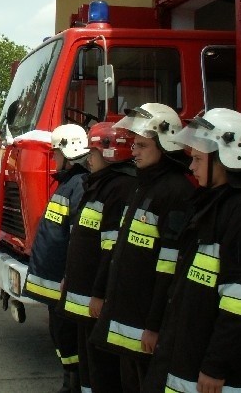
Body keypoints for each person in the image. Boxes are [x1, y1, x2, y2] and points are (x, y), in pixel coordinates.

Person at [142, 109, 241, 393]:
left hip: (226, 380)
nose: (191, 168)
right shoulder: (215, 208)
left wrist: (217, 365)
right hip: (193, 369)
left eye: (197, 159)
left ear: (225, 157)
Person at [89, 103, 194, 393]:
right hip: (129, 316)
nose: (133, 150)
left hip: (147, 324)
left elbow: (169, 268)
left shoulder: (176, 192)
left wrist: (154, 325)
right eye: (134, 144)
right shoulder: (143, 186)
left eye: (142, 145)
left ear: (165, 143)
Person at [57, 123, 137, 392]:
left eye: (93, 151)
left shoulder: (119, 188)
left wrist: (100, 293)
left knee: (103, 371)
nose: (88, 157)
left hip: (95, 300)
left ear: (111, 153)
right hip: (83, 297)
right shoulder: (97, 184)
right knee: (90, 368)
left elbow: (110, 250)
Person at [22, 124, 90, 393]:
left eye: (55, 153)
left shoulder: (80, 184)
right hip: (56, 283)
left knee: (67, 334)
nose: (54, 158)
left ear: (68, 150)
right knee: (60, 333)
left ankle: (73, 381)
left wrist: (69, 276)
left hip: (65, 282)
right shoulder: (68, 183)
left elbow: (78, 238)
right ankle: (69, 378)